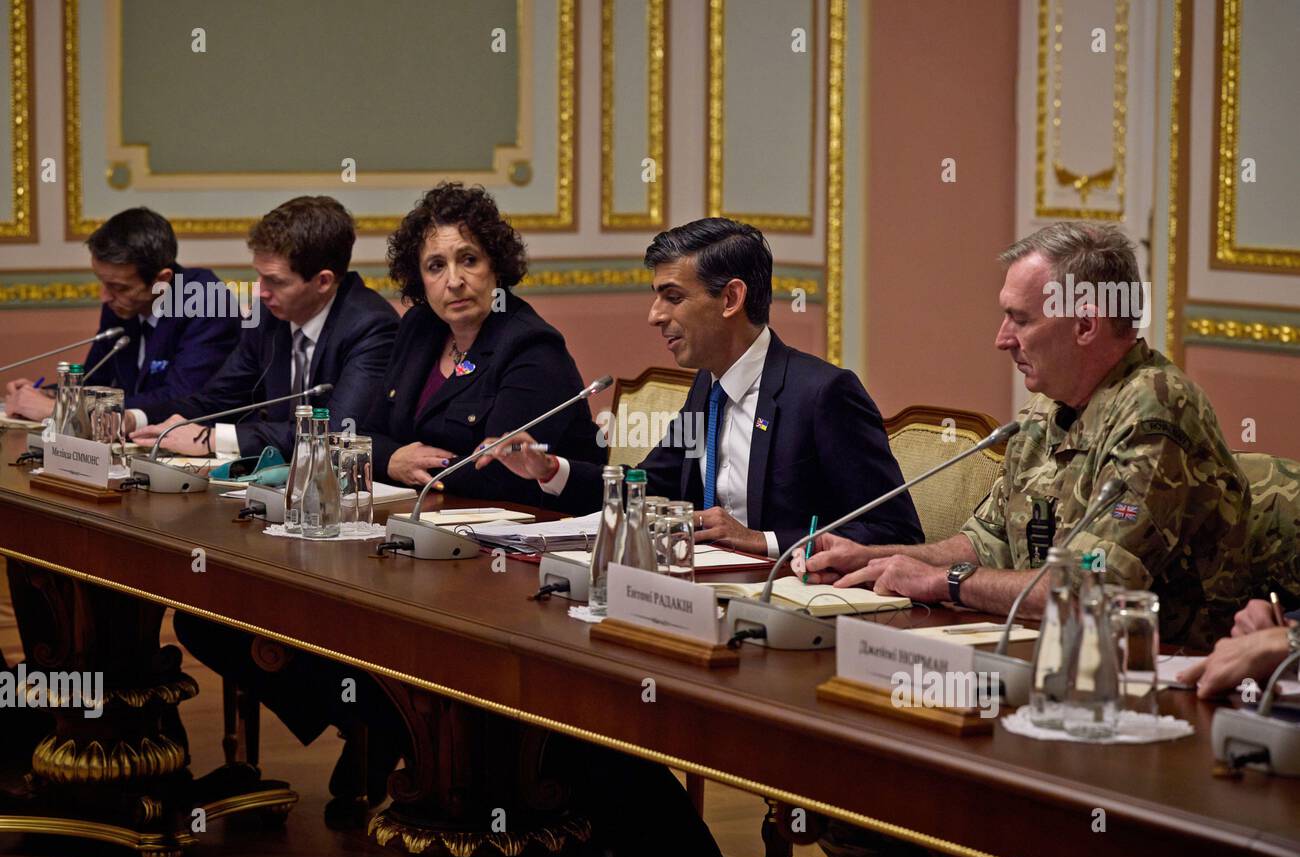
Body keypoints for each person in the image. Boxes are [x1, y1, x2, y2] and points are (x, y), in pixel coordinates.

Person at [804, 222, 1249, 651]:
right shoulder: (1046, 409)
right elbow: (986, 543)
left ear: (1085, 326)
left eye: (1020, 319)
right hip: (1055, 652)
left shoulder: (1155, 409)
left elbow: (1088, 587)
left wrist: (945, 582)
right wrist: (872, 558)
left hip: (1164, 675)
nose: (1003, 339)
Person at [482, 217, 922, 556]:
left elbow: (893, 531)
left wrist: (763, 540)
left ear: (730, 299)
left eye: (672, 297)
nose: (654, 316)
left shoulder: (823, 394)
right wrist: (551, 469)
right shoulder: (708, 386)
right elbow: (652, 486)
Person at [362, 182, 601, 500]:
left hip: (530, 530)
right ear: (420, 280)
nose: (455, 281)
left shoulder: (532, 348)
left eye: (469, 260)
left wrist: (413, 468)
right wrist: (391, 460)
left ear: (496, 268)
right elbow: (366, 435)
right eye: (436, 267)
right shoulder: (419, 328)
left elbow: (501, 475)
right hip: (431, 519)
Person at [130, 196, 396, 459]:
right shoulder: (268, 315)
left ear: (323, 281)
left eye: (275, 281)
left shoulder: (371, 327)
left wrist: (212, 439)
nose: (261, 291)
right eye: (259, 276)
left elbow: (337, 436)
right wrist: (136, 418)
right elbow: (215, 400)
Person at [3, 207, 239, 430]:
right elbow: (97, 379)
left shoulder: (208, 302)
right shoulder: (121, 305)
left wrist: (67, 408)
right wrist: (53, 394)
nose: (104, 296)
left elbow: (181, 397)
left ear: (161, 280)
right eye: (102, 282)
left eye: (118, 287)